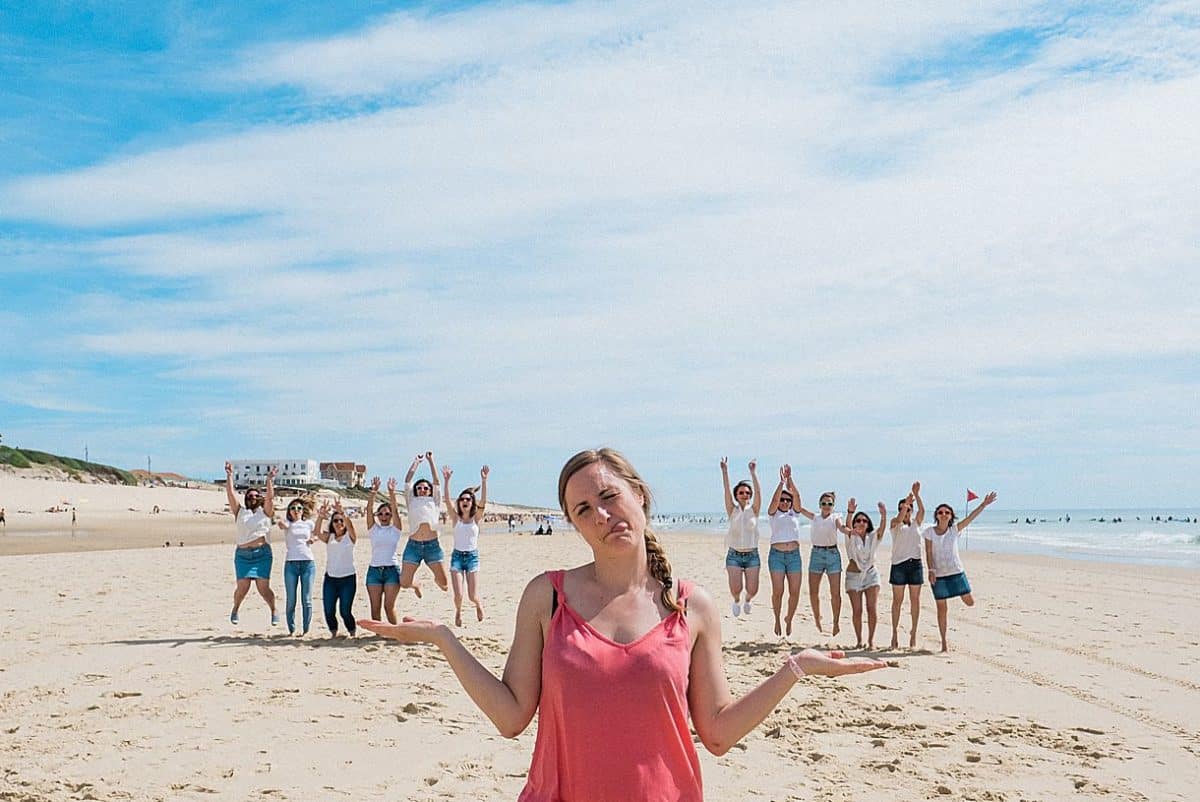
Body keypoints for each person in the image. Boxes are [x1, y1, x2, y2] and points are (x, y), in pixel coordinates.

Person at [359, 448, 887, 802]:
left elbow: (719, 732)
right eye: (583, 509)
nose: (602, 515)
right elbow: (512, 716)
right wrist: (443, 639)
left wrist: (793, 669)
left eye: (610, 497)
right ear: (573, 523)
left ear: (640, 495)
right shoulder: (548, 596)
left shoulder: (692, 606)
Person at [924, 491, 998, 652]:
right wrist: (931, 570)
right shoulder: (929, 532)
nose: (943, 514)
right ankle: (944, 643)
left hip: (956, 572)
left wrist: (983, 504)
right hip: (939, 575)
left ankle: (956, 593)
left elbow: (971, 517)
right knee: (942, 609)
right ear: (936, 515)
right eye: (941, 512)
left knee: (970, 602)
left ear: (951, 516)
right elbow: (928, 553)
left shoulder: (955, 530)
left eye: (947, 512)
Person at [224, 461, 279, 626]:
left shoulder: (266, 512)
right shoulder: (240, 512)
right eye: (249, 496)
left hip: (262, 554)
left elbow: (270, 497)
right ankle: (235, 608)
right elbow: (230, 493)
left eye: (256, 496)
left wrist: (269, 480)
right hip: (242, 555)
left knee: (263, 588)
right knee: (243, 588)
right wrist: (229, 475)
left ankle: (273, 610)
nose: (252, 497)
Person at [441, 464, 489, 627]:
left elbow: (483, 501)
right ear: (459, 503)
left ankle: (478, 604)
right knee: (458, 595)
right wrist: (446, 481)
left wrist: (484, 481)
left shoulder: (476, 518)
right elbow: (446, 500)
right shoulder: (456, 518)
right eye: (462, 499)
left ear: (471, 502)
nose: (465, 501)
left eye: (468, 499)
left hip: (472, 558)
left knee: (472, 595)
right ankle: (458, 611)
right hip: (457, 557)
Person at [837, 499, 887, 650]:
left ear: (868, 523)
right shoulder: (850, 535)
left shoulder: (873, 537)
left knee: (872, 608)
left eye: (864, 520)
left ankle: (871, 641)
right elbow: (846, 525)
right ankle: (859, 640)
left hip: (871, 575)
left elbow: (882, 530)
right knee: (857, 610)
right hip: (853, 577)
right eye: (858, 520)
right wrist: (850, 512)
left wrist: (884, 515)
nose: (861, 522)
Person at [796, 490, 845, 635]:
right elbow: (799, 508)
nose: (826, 506)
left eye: (829, 503)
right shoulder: (815, 517)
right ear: (820, 504)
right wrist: (791, 487)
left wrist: (849, 530)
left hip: (832, 555)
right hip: (816, 554)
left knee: (835, 593)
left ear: (833, 505)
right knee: (813, 591)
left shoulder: (836, 517)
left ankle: (836, 622)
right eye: (824, 503)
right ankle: (817, 618)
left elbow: (841, 527)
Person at [401, 451, 448, 595]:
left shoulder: (434, 500)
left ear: (430, 491)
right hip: (413, 546)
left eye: (426, 488)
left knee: (444, 584)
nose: (422, 490)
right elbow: (408, 480)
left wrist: (430, 461)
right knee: (404, 583)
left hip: (432, 546)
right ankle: (416, 584)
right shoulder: (412, 500)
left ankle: (436, 579)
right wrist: (416, 462)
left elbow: (436, 481)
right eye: (419, 488)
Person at [720, 457, 761, 618]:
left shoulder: (754, 510)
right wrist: (725, 471)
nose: (745, 495)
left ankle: (748, 600)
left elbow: (758, 492)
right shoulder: (732, 510)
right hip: (734, 555)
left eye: (747, 493)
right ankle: (737, 600)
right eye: (741, 492)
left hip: (752, 555)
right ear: (736, 495)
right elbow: (726, 490)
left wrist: (753, 473)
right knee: (735, 589)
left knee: (752, 589)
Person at [766, 464, 804, 636]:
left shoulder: (795, 513)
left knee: (794, 591)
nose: (785, 502)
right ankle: (776, 618)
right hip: (777, 556)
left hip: (794, 556)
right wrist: (781, 483)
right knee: (778, 591)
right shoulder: (773, 513)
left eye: (787, 500)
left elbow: (797, 495)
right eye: (783, 500)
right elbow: (774, 501)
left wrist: (790, 480)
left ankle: (789, 618)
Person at [888, 482, 926, 650]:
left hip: (915, 564)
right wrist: (906, 503)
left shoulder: (916, 523)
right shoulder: (895, 524)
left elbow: (922, 511)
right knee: (897, 601)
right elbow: (898, 518)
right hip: (899, 565)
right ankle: (894, 633)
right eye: (903, 508)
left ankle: (914, 633)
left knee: (915, 601)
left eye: (910, 509)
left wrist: (916, 496)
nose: (906, 511)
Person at [314, 499, 359, 637]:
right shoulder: (330, 537)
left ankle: (352, 632)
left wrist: (342, 512)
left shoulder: (350, 537)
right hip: (331, 579)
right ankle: (333, 633)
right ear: (332, 524)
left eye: (341, 520)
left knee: (345, 610)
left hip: (348, 579)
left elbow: (350, 526)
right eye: (335, 521)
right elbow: (316, 532)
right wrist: (321, 517)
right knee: (328, 610)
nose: (339, 523)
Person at [365, 476, 405, 624]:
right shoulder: (373, 529)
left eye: (387, 514)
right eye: (381, 513)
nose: (383, 516)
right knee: (375, 608)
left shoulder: (395, 529)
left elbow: (395, 509)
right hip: (374, 571)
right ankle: (379, 635)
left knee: (389, 606)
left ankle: (395, 633)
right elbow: (368, 510)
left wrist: (392, 493)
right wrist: (373, 492)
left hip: (392, 571)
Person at [277, 496, 317, 636]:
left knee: (306, 599)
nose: (296, 510)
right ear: (289, 511)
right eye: (293, 508)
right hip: (291, 564)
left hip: (307, 563)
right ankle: (292, 629)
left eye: (299, 508)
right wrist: (279, 521)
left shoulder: (309, 524)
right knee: (291, 599)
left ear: (303, 510)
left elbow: (317, 533)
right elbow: (282, 524)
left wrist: (313, 538)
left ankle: (306, 630)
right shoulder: (288, 523)